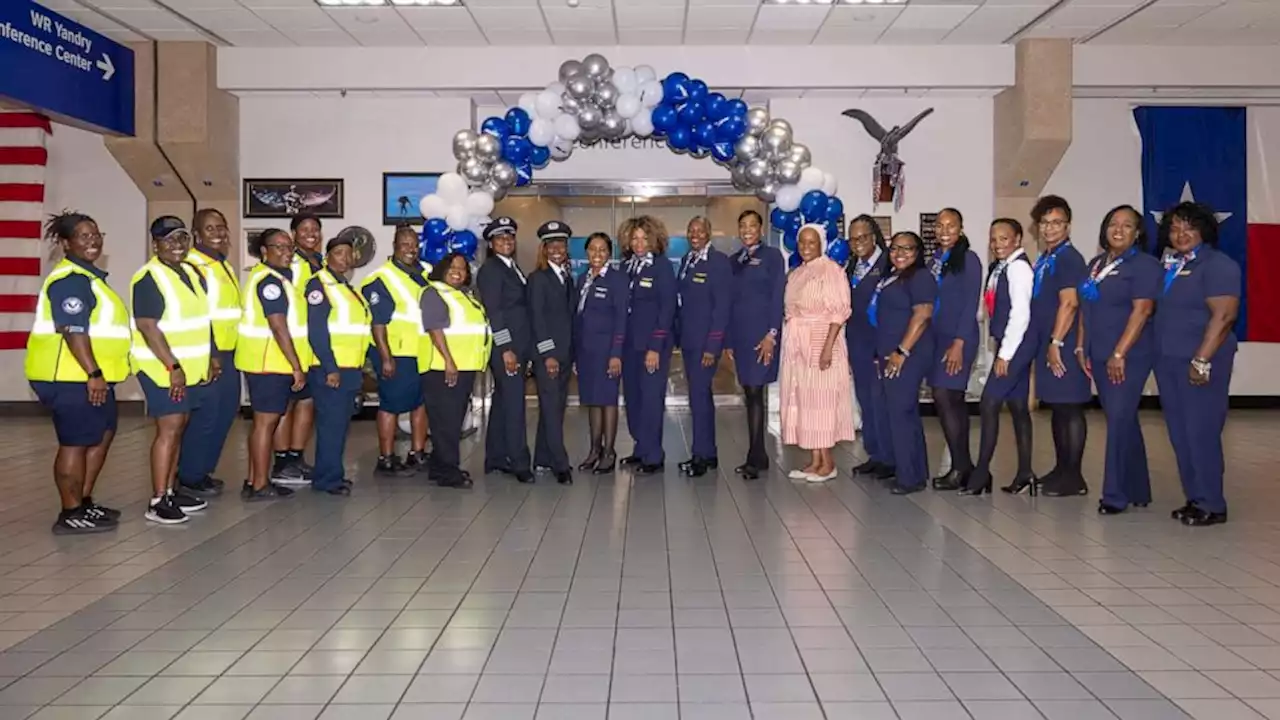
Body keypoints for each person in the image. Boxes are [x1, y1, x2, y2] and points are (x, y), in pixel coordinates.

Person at [26, 211, 129, 534]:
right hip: (71, 376)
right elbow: (74, 330)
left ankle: (83, 501)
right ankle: (69, 512)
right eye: (84, 236)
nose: (93, 240)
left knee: (100, 435)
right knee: (75, 442)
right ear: (65, 243)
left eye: (96, 234)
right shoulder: (70, 280)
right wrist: (93, 372)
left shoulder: (91, 278)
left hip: (93, 377)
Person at [1154, 202, 1239, 527]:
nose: (1181, 234)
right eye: (1175, 228)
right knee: (1180, 433)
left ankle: (1213, 503)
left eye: (1188, 227)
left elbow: (1225, 315)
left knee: (1201, 431)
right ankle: (1194, 497)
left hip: (1202, 362)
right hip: (1169, 360)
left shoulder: (1217, 265)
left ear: (1203, 229)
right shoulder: (1170, 266)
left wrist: (1202, 359)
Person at [129, 217, 214, 524]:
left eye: (182, 238)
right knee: (169, 428)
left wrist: (209, 358)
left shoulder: (189, 272)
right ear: (155, 244)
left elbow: (199, 321)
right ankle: (157, 499)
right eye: (169, 240)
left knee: (180, 426)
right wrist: (172, 366)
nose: (177, 245)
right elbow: (148, 327)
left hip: (188, 368)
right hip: (161, 368)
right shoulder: (149, 277)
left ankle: (171, 489)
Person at [1079, 206, 1160, 514]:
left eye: (1127, 225)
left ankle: (1114, 494)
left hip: (1129, 356)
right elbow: (1087, 308)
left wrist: (1119, 353)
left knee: (1118, 420)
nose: (1118, 229)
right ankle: (1139, 488)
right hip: (1098, 353)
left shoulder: (1145, 265)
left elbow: (1142, 312)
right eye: (1113, 223)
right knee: (1123, 418)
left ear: (1137, 233)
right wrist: (1081, 348)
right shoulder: (1097, 264)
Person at [235, 228, 309, 501]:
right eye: (278, 247)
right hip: (268, 362)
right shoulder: (270, 281)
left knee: (264, 423)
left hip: (272, 363)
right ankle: (259, 485)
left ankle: (256, 478)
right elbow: (278, 327)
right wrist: (296, 366)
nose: (286, 252)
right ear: (264, 251)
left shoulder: (279, 278)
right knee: (265, 424)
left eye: (289, 247)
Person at [780, 224, 853, 483]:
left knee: (822, 402)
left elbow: (839, 312)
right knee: (804, 400)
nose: (806, 247)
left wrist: (827, 348)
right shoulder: (797, 273)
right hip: (798, 345)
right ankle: (814, 459)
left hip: (822, 340)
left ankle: (828, 463)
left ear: (821, 243)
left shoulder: (832, 271)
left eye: (811, 242)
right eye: (802, 242)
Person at [1028, 195, 1091, 497]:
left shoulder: (1068, 258)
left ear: (1068, 225)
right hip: (1047, 343)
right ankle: (1061, 469)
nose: (1050, 228)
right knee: (1058, 409)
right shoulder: (1047, 258)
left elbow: (1069, 303)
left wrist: (1056, 342)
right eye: (1045, 223)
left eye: (1057, 223)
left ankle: (1074, 477)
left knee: (1070, 407)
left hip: (1062, 344)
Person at [361, 225, 432, 476]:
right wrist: (385, 357)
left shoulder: (423, 274)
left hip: (422, 352)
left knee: (420, 403)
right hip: (395, 353)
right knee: (391, 404)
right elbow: (377, 322)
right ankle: (387, 458)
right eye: (405, 244)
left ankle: (417, 452)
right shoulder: (381, 278)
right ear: (394, 246)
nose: (411, 249)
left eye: (414, 244)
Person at [971, 219, 1036, 496]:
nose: (997, 244)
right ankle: (1025, 474)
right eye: (994, 239)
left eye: (1004, 239)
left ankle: (981, 473)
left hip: (1017, 346)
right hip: (1011, 344)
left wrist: (1005, 354)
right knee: (1019, 408)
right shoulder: (1002, 267)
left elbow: (1020, 313)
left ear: (1018, 239)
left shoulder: (1019, 268)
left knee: (989, 402)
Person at [304, 236, 371, 496]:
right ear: (327, 256)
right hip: (331, 369)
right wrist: (330, 367)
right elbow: (317, 331)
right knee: (331, 426)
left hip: (350, 368)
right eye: (339, 253)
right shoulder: (320, 285)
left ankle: (331, 473)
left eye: (348, 253)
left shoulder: (345, 287)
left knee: (340, 426)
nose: (345, 258)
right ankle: (327, 480)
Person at [871, 231, 936, 495]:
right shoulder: (893, 277)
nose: (900, 253)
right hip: (891, 353)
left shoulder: (921, 277)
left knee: (900, 412)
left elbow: (922, 315)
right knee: (901, 412)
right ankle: (913, 471)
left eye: (907, 249)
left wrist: (901, 351)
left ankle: (910, 478)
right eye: (895, 248)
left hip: (909, 354)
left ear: (918, 252)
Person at [421, 251, 492, 489]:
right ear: (442, 268)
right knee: (447, 424)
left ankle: (438, 467)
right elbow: (435, 329)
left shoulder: (464, 296)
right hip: (444, 369)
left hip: (464, 367)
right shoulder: (435, 292)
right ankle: (449, 471)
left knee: (450, 421)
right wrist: (449, 361)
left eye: (462, 268)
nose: (458, 272)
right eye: (453, 267)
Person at [927, 208, 983, 491]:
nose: (944, 230)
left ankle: (960, 467)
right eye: (940, 226)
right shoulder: (935, 260)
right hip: (936, 340)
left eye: (951, 226)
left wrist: (959, 343)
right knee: (951, 401)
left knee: (945, 395)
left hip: (958, 340)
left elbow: (970, 303)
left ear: (960, 229)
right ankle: (965, 466)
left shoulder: (968, 260)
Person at [476, 216, 534, 484]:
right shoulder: (491, 270)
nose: (506, 241)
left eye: (510, 237)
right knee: (514, 405)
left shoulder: (512, 267)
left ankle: (496, 457)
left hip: (518, 345)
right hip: (506, 349)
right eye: (500, 238)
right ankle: (520, 463)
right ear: (491, 243)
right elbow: (495, 312)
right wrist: (507, 348)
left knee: (502, 402)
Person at [728, 209, 785, 480]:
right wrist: (728, 340)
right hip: (740, 337)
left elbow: (777, 297)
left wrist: (772, 335)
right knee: (749, 393)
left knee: (755, 391)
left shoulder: (772, 257)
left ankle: (756, 456)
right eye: (743, 225)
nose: (747, 229)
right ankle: (758, 454)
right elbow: (729, 303)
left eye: (752, 225)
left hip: (763, 337)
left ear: (761, 229)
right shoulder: (734, 261)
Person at [620, 215, 678, 476]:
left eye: (644, 238)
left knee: (651, 400)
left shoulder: (662, 267)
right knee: (633, 399)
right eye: (635, 238)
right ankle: (641, 447)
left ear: (654, 239)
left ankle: (654, 455)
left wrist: (655, 346)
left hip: (652, 347)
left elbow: (667, 310)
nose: (639, 243)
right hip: (628, 346)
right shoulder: (625, 267)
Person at [676, 216, 731, 477]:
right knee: (699, 398)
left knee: (699, 397)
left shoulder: (718, 262)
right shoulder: (688, 260)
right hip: (688, 340)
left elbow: (722, 307)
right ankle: (708, 453)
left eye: (700, 230)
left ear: (709, 233)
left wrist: (713, 345)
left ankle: (700, 455)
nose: (695, 234)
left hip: (705, 344)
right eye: (691, 229)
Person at [272, 213, 324, 485]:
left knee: (306, 401)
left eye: (315, 229)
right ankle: (281, 462)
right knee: (286, 404)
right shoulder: (290, 262)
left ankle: (296, 457)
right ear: (293, 234)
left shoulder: (319, 262)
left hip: (312, 346)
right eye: (304, 229)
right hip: (292, 342)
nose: (311, 233)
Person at [574, 232, 629, 474]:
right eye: (593, 249)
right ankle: (594, 449)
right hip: (585, 351)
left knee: (607, 401)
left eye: (602, 250)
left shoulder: (617, 280)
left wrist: (616, 353)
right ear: (586, 252)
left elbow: (621, 320)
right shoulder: (581, 279)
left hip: (608, 352)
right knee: (592, 400)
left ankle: (609, 451)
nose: (597, 254)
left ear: (609, 254)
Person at [845, 215, 894, 481]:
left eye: (862, 237)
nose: (857, 243)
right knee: (866, 401)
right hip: (857, 344)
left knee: (881, 401)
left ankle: (889, 457)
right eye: (853, 239)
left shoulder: (888, 264)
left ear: (873, 237)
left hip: (880, 345)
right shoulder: (852, 266)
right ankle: (874, 454)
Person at [528, 221, 577, 485]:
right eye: (552, 244)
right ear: (544, 249)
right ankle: (560, 464)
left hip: (565, 353)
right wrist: (547, 355)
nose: (557, 248)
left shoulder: (566, 276)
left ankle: (543, 457)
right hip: (548, 356)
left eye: (561, 244)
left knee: (555, 408)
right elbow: (537, 320)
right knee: (550, 406)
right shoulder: (538, 279)